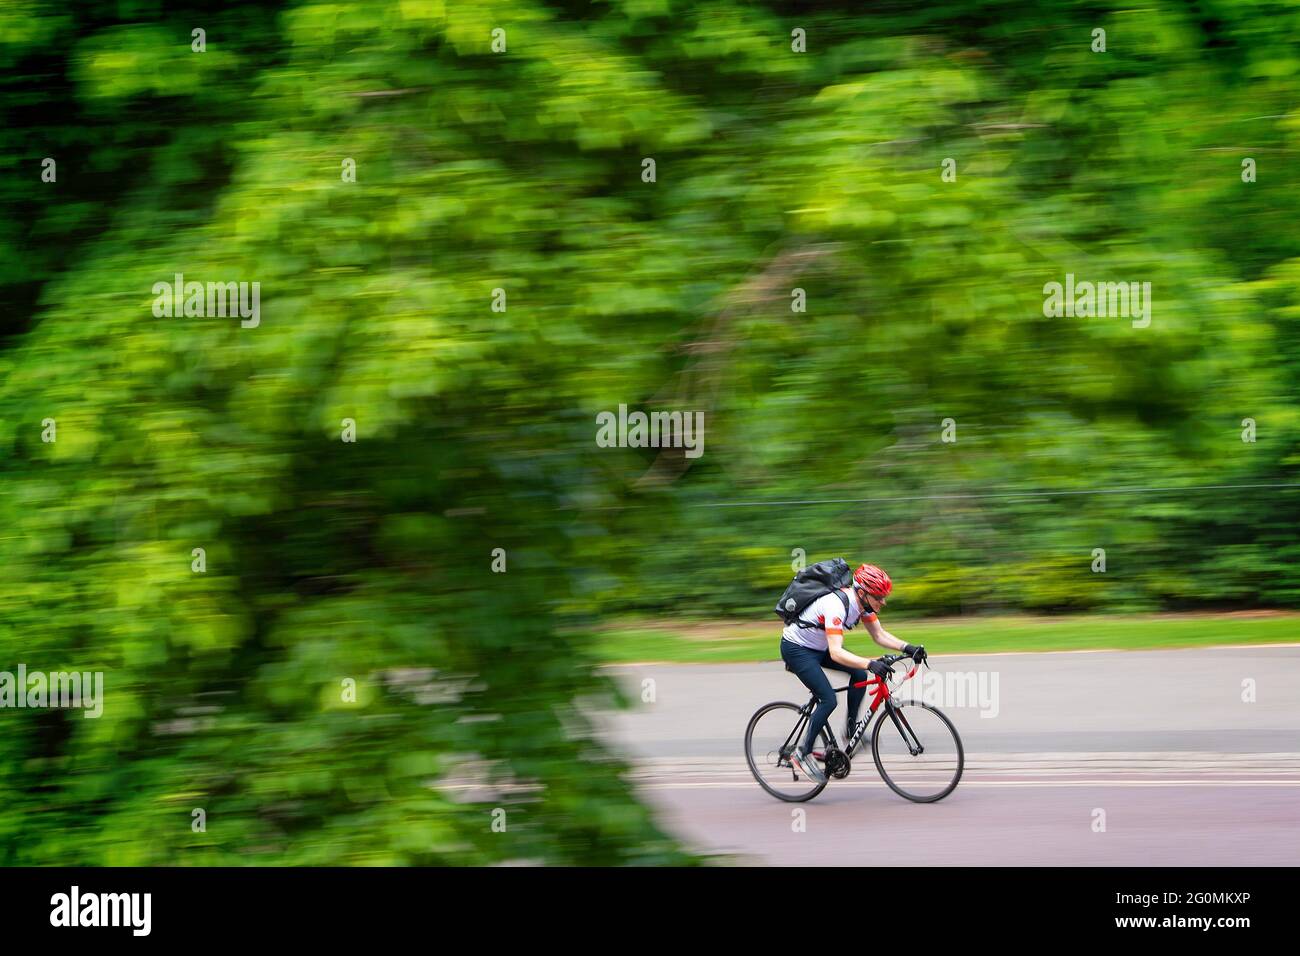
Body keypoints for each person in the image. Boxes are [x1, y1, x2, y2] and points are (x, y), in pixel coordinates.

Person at [780, 563, 926, 783]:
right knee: (828, 699)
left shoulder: (864, 605)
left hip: (820, 648)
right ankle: (801, 753)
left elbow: (879, 635)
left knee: (858, 674)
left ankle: (850, 730)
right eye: (879, 597)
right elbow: (837, 652)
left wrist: (908, 647)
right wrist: (870, 663)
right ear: (862, 592)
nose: (883, 602)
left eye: (883, 596)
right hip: (797, 649)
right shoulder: (835, 606)